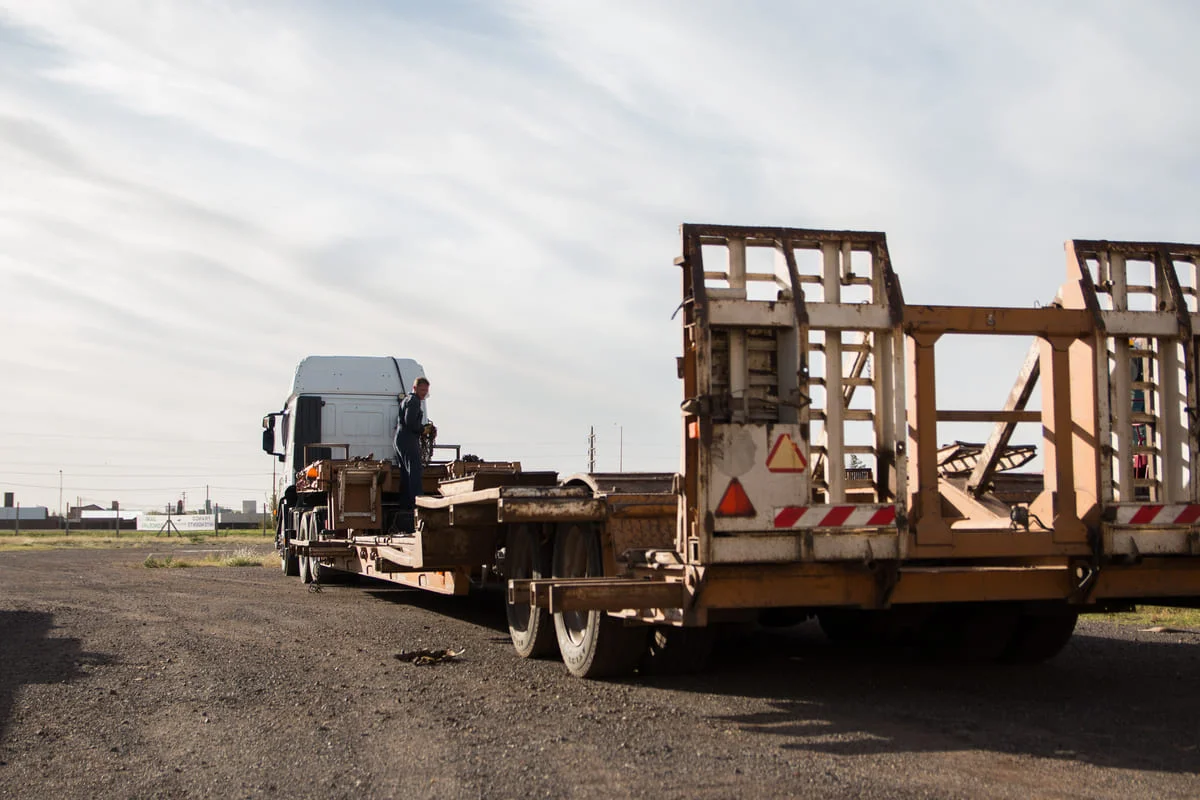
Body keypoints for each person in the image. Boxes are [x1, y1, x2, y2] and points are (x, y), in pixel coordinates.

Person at [394, 377, 430, 518]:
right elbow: (410, 422)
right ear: (415, 388)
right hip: (408, 439)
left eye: (426, 390)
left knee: (405, 473)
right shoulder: (414, 401)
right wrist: (423, 429)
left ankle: (405, 505)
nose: (424, 393)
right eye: (422, 390)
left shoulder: (407, 399)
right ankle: (418, 505)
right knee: (414, 471)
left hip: (400, 439)